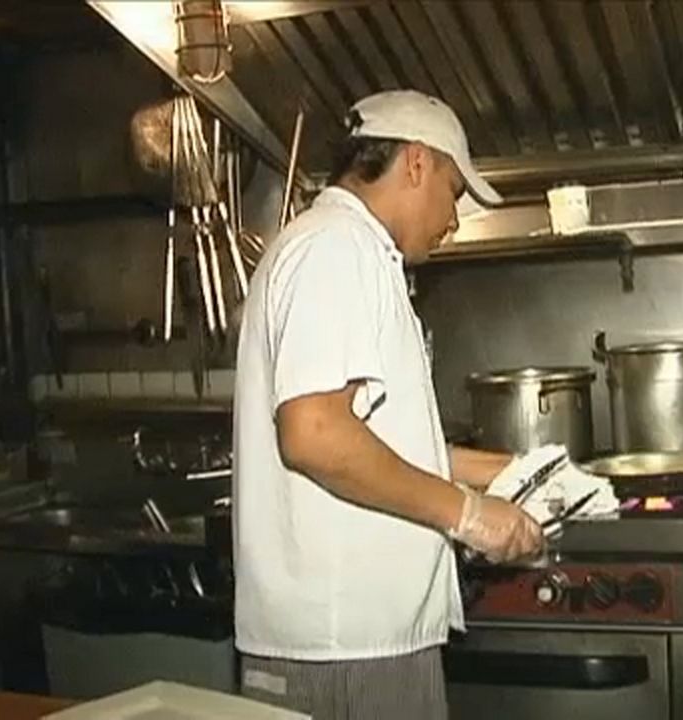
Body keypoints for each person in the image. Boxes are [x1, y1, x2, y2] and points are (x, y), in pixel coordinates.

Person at [231, 90, 544, 719]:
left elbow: (371, 440)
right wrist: (468, 513)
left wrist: (513, 471)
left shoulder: (345, 248)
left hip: (352, 646)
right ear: (417, 163)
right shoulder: (336, 248)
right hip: (345, 653)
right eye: (454, 192)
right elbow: (314, 433)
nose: (453, 221)